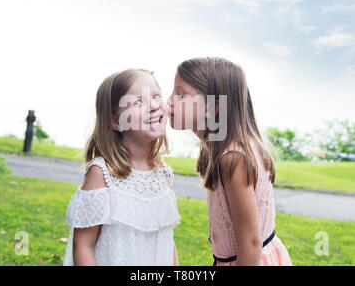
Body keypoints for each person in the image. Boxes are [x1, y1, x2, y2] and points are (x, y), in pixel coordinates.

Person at [167, 57, 292, 266]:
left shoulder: (233, 158)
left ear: (212, 108)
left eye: (180, 95)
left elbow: (251, 243)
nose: (168, 101)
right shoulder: (217, 146)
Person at [63, 68, 181, 266]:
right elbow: (83, 245)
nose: (153, 106)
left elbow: (167, 240)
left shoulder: (164, 175)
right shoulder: (102, 173)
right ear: (116, 121)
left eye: (155, 96)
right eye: (137, 102)